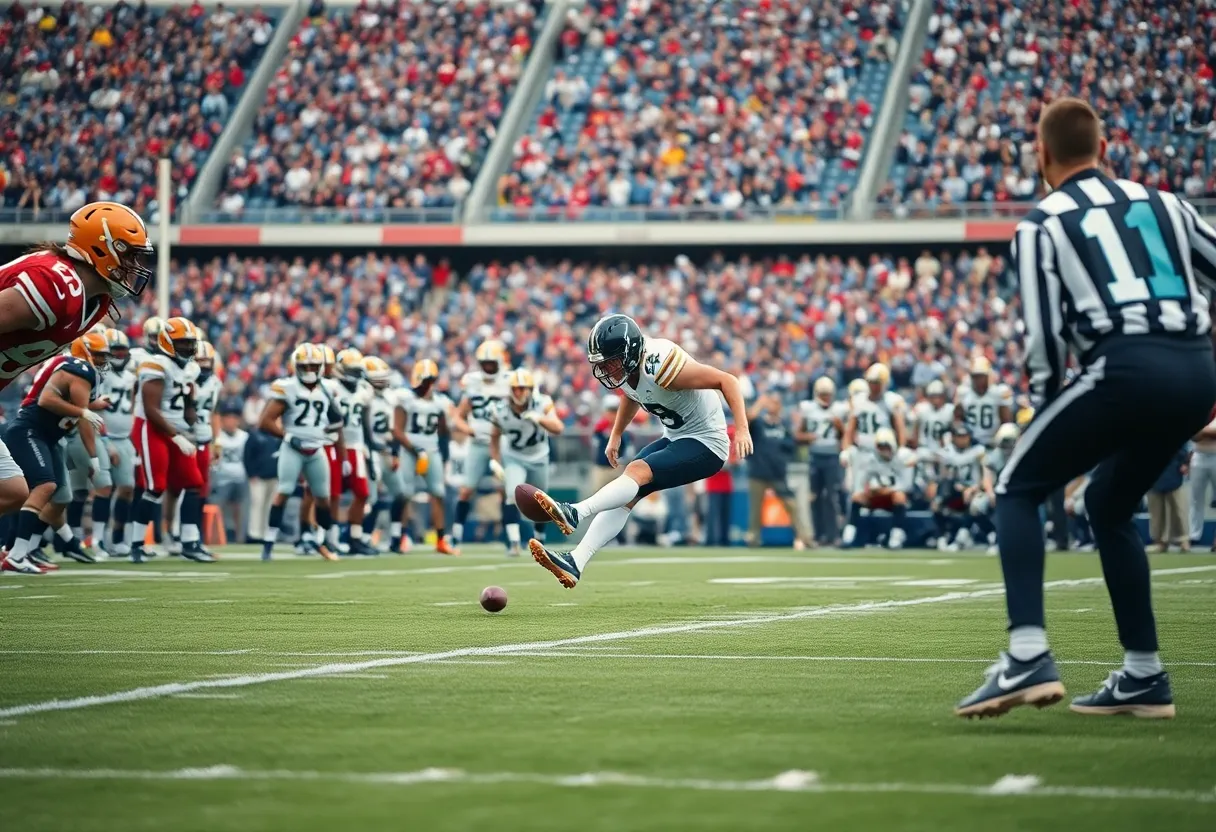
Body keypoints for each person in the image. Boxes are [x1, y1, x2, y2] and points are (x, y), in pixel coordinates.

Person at [957, 98, 1216, 720]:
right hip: (1195, 365)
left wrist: (1047, 426)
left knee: (1018, 484)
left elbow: (1045, 341)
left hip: (1125, 365)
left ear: (1042, 156)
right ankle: (1144, 675)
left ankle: (1025, 654)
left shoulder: (1044, 222)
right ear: (1104, 149)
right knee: (1107, 502)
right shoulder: (1168, 204)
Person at [527, 314, 752, 587]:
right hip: (677, 437)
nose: (607, 369)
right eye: (603, 363)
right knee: (628, 491)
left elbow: (727, 380)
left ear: (631, 352)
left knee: (636, 471)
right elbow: (632, 394)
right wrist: (616, 433)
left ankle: (575, 512)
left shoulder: (660, 363)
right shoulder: (628, 369)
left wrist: (741, 428)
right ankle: (576, 561)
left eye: (611, 361)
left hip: (708, 443)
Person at [0, 202, 153, 528]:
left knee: (12, 491)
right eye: (130, 255)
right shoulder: (56, 285)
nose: (135, 266)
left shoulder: (93, 302)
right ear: (103, 248)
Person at [0, 349, 107, 573]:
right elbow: (48, 400)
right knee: (42, 486)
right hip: (30, 431)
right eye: (99, 354)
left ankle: (25, 550)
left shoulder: (80, 372)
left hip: (47, 437)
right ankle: (16, 554)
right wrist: (85, 415)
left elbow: (79, 411)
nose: (104, 359)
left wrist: (88, 410)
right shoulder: (78, 370)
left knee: (59, 496)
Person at [131, 317, 211, 564]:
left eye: (190, 343)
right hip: (152, 428)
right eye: (182, 343)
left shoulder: (191, 368)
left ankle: (189, 542)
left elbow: (187, 397)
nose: (188, 348)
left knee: (194, 482)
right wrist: (176, 437)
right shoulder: (155, 364)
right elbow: (152, 409)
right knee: (156, 486)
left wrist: (191, 418)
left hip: (176, 430)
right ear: (167, 343)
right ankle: (137, 544)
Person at [258, 343, 342, 561]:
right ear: (296, 366)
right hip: (292, 447)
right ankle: (269, 542)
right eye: (305, 366)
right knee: (284, 490)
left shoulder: (328, 388)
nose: (309, 371)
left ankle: (322, 541)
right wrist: (287, 437)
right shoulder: (287, 387)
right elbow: (265, 421)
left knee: (323, 497)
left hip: (316, 448)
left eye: (314, 366)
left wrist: (331, 432)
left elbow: (337, 420)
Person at [488, 368, 563, 557]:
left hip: (539, 456)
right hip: (514, 456)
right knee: (512, 494)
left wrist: (540, 418)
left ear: (531, 389)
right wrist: (495, 460)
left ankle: (540, 541)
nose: (519, 392)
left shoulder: (542, 403)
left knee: (541, 500)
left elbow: (558, 427)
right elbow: (494, 436)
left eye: (523, 388)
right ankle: (514, 543)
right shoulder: (500, 409)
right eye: (515, 388)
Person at [448, 340, 511, 549]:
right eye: (484, 363)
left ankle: (510, 537)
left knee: (504, 490)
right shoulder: (473, 383)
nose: (488, 367)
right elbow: (458, 416)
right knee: (466, 490)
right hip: (478, 442)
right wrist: (468, 430)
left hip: (502, 443)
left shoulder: (509, 381)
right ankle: (455, 535)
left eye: (491, 363)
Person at [394, 359, 456, 555]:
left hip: (431, 452)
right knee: (405, 493)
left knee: (438, 494)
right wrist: (414, 450)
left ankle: (440, 540)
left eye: (430, 380)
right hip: (409, 451)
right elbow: (397, 430)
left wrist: (443, 453)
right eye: (425, 380)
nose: (427, 385)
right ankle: (402, 537)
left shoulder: (440, 402)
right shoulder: (405, 398)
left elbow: (444, 431)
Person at [746, 392, 812, 548]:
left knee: (791, 506)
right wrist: (759, 404)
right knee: (756, 510)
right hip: (758, 472)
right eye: (771, 402)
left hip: (778, 474)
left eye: (776, 403)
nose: (773, 405)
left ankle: (804, 538)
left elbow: (792, 445)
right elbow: (747, 419)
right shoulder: (759, 423)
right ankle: (753, 539)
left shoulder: (783, 426)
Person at [796, 376, 848, 545]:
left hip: (832, 456)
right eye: (823, 394)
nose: (825, 398)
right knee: (815, 497)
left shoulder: (840, 409)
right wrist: (807, 437)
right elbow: (798, 434)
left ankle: (833, 535)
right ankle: (818, 534)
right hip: (815, 456)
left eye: (828, 394)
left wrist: (840, 426)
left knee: (832, 497)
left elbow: (846, 435)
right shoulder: (808, 409)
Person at [99, 328, 137, 557]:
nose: (120, 356)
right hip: (104, 436)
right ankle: (99, 539)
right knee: (102, 489)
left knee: (127, 488)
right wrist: (104, 439)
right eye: (116, 351)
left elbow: (132, 405)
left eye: (124, 351)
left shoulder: (132, 377)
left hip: (124, 438)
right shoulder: (101, 374)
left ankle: (118, 537)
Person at [211, 404, 249, 543]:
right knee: (216, 509)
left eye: (234, 418)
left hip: (240, 476)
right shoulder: (217, 436)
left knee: (240, 509)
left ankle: (240, 539)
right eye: (228, 418)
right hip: (221, 478)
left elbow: (249, 457)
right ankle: (214, 538)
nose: (231, 421)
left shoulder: (244, 436)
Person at [1147, 444, 1191, 554]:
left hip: (1173, 467)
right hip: (1151, 470)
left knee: (1178, 508)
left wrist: (1185, 462)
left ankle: (1183, 540)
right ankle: (1159, 542)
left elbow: (1183, 445)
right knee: (1156, 511)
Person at [1187, 413, 1216, 546]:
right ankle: (1194, 535)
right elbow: (1193, 435)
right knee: (1195, 498)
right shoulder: (1202, 410)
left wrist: (1202, 432)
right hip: (1199, 454)